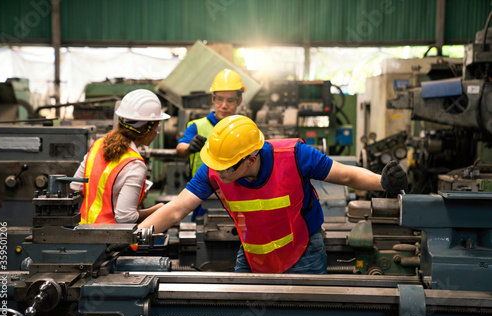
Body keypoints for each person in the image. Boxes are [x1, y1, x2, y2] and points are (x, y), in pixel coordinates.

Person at [139, 115, 407, 274]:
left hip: (303, 251)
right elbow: (176, 209)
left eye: (225, 167)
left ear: (251, 158)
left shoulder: (294, 155)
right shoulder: (215, 169)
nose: (218, 174)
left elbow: (345, 175)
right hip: (252, 253)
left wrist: (383, 182)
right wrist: (131, 237)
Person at [71, 89, 169, 225]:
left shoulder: (98, 144)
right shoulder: (135, 165)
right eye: (157, 127)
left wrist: (108, 197)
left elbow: (76, 186)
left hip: (82, 230)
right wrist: (157, 210)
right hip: (110, 239)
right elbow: (124, 218)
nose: (157, 132)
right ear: (148, 128)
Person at [175, 68, 246, 220]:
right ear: (213, 99)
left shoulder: (245, 127)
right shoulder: (197, 126)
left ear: (239, 101)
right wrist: (190, 147)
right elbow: (180, 149)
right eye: (219, 99)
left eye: (230, 100)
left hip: (237, 197)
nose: (224, 105)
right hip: (202, 195)